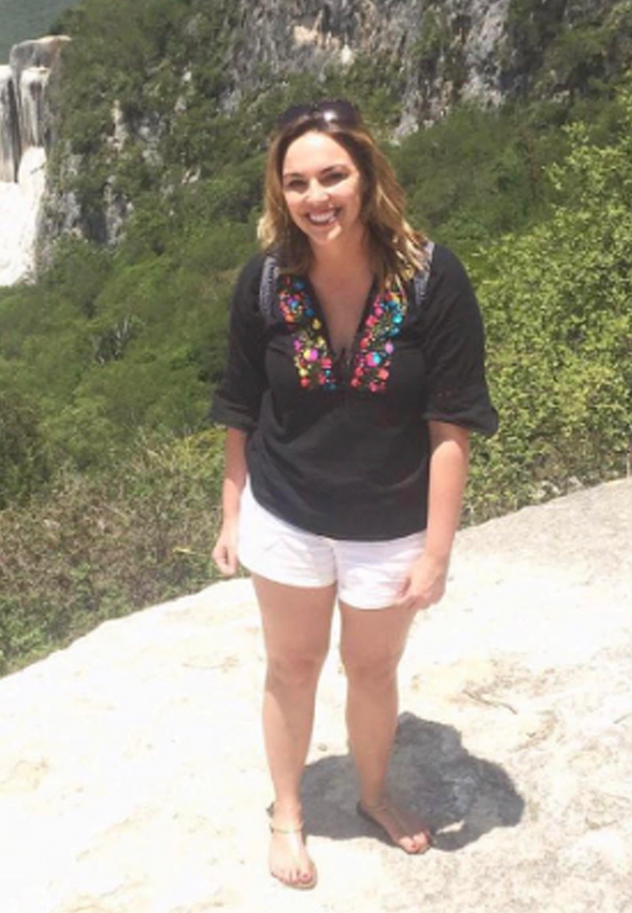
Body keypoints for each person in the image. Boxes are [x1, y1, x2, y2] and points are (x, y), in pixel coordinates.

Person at [210, 99, 498, 889]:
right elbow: (240, 404)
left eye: (333, 175)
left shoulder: (431, 279)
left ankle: (373, 793)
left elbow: (452, 422)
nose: (317, 196)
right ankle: (288, 810)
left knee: (373, 670)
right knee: (291, 664)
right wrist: (232, 512)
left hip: (390, 522)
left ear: (367, 176)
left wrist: (436, 551)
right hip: (286, 513)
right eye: (297, 182)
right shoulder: (267, 281)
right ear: (280, 193)